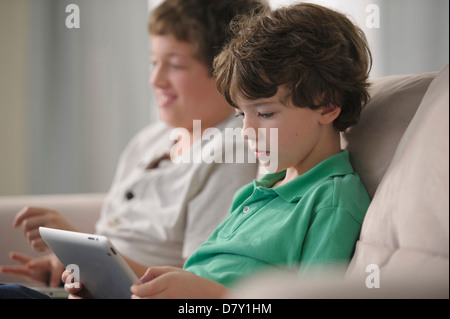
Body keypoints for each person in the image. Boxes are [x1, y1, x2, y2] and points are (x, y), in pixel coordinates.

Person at [65, 2, 373, 299]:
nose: (247, 131)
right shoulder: (257, 191)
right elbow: (198, 276)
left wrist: (208, 295)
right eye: (241, 115)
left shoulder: (331, 202)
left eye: (264, 114)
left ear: (328, 104)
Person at [0, 0, 263, 289]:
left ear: (225, 71)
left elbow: (193, 283)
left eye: (175, 65)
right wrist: (66, 264)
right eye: (154, 63)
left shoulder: (232, 150)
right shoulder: (149, 140)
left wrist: (85, 254)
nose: (155, 79)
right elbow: (118, 236)